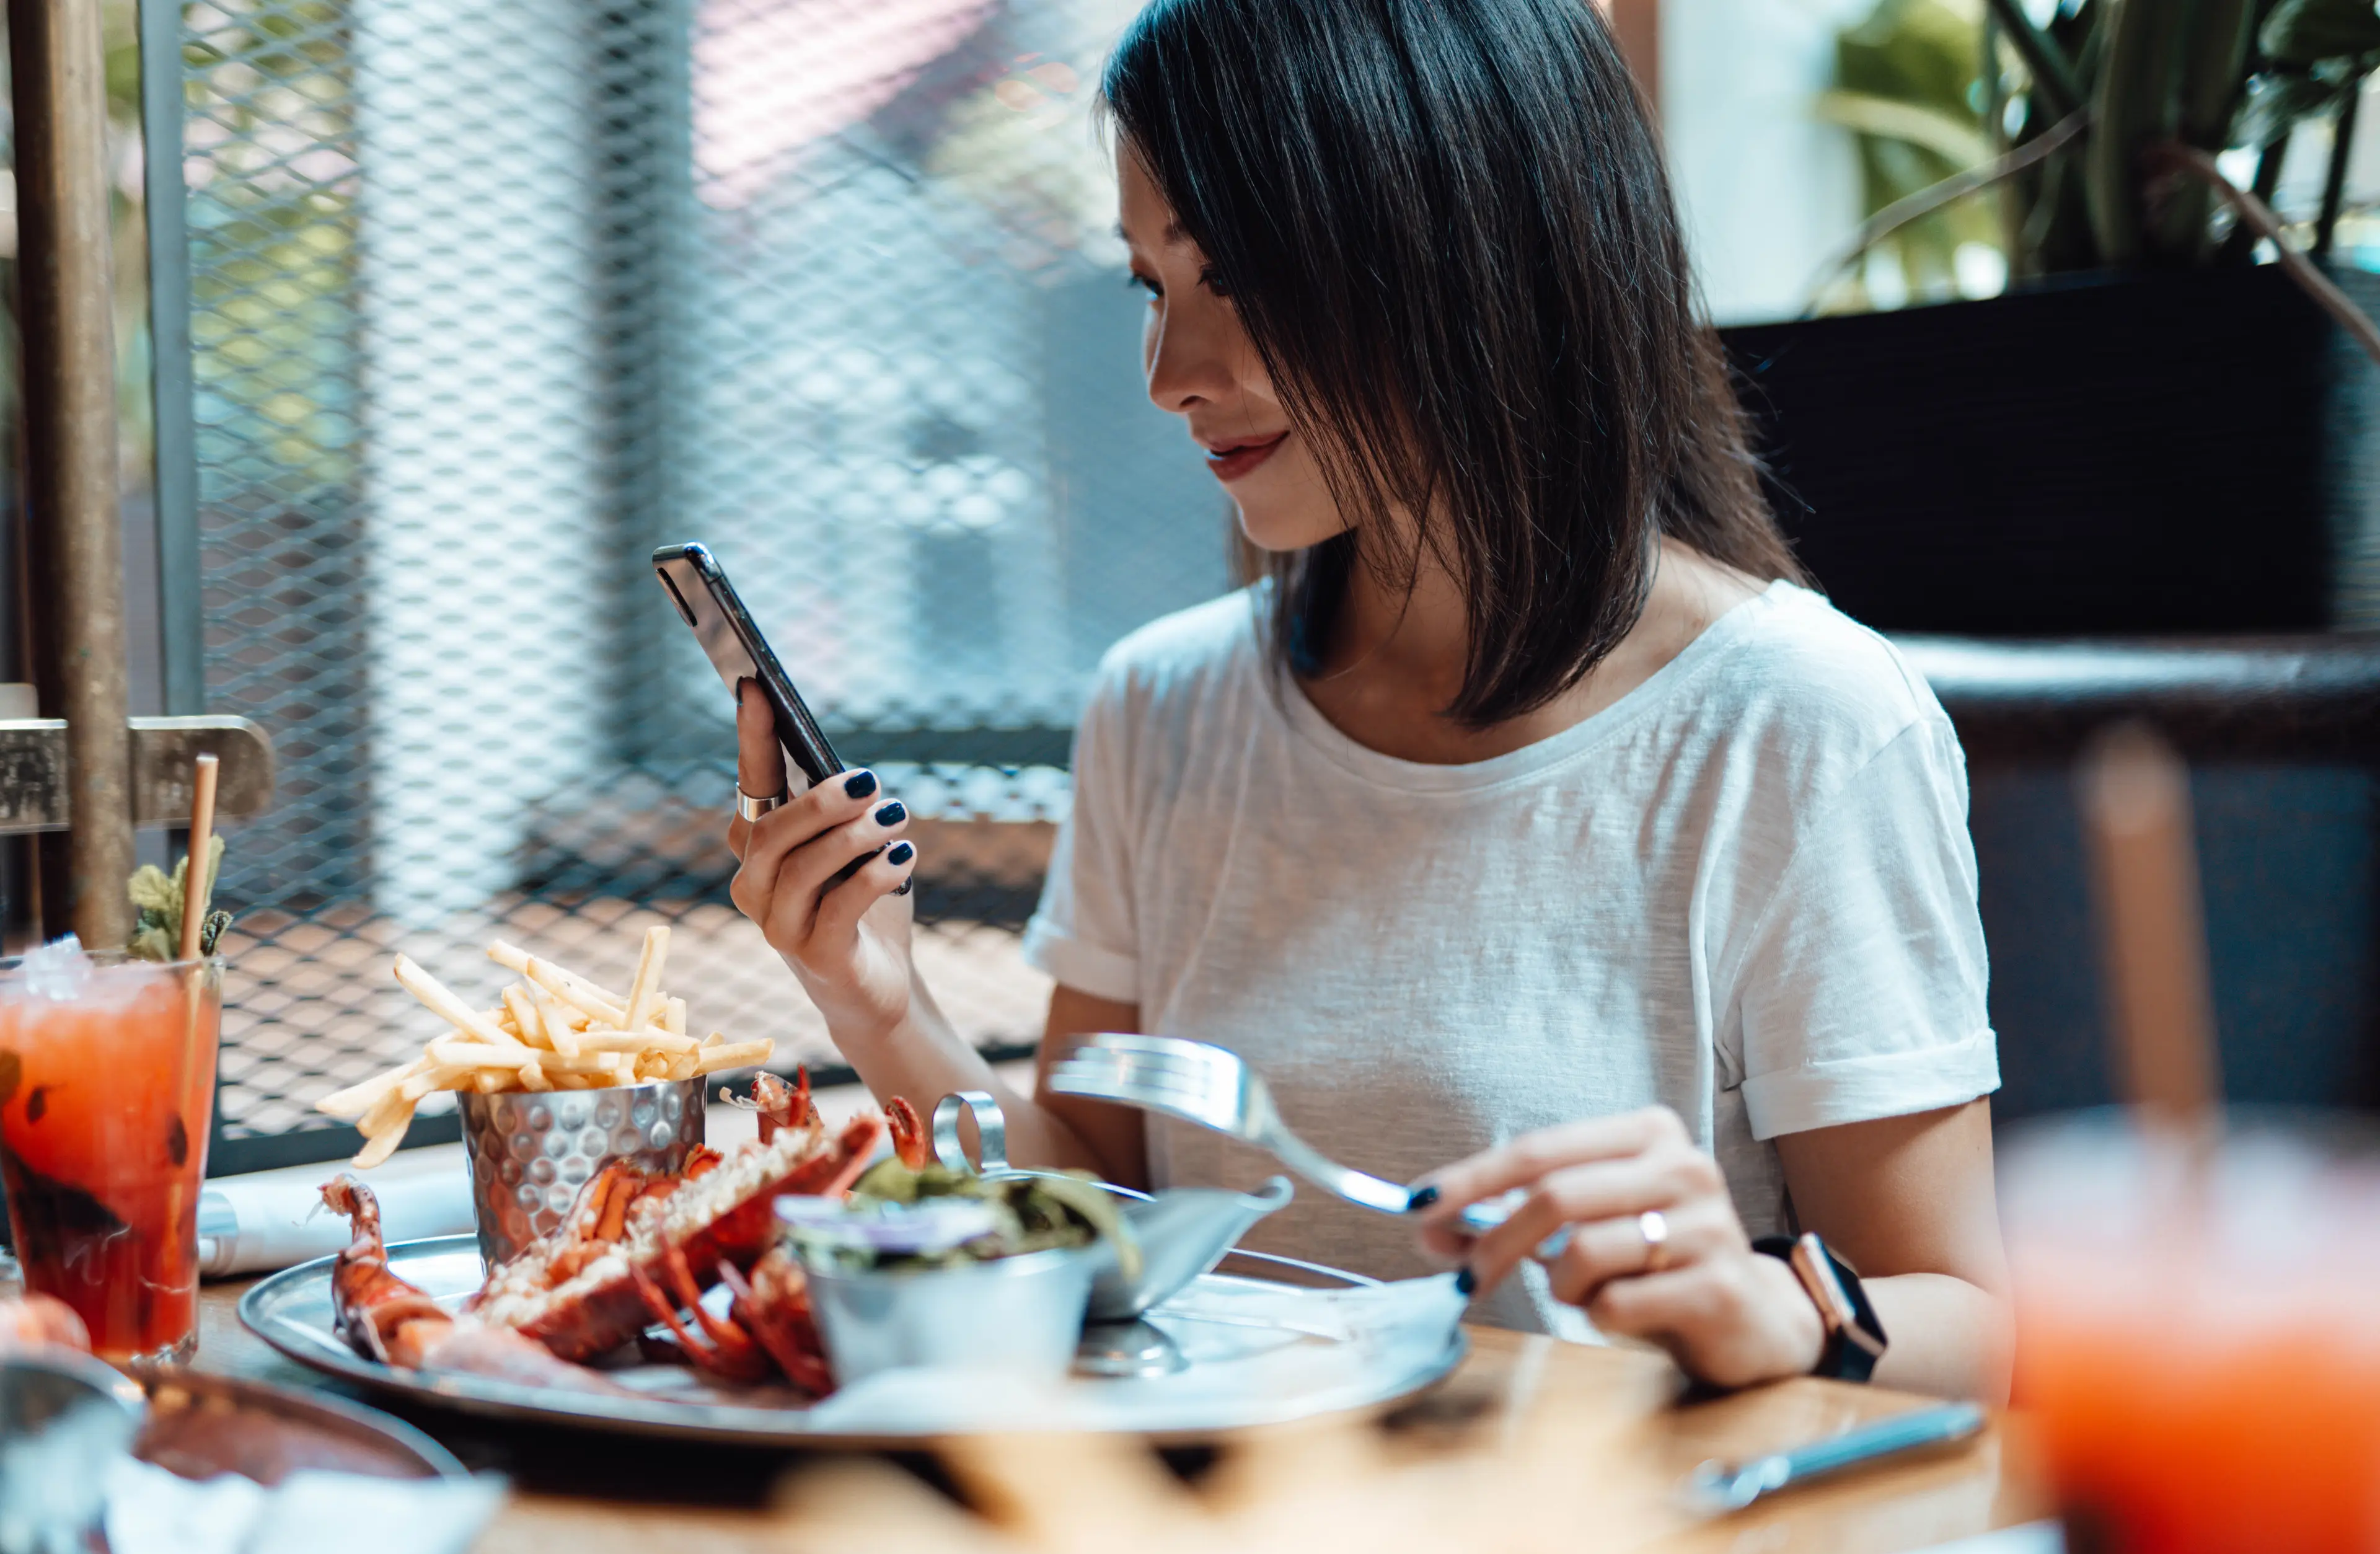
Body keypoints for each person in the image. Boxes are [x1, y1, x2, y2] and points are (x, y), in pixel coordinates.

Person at [726, 0, 2008, 1398]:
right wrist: (879, 1001)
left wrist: (1775, 1309)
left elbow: (1969, 1324)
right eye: (1153, 286)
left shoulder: (1801, 724)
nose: (1167, 377)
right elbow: (1109, 1206)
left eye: (1241, 283)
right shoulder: (1165, 706)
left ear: (1469, 253)